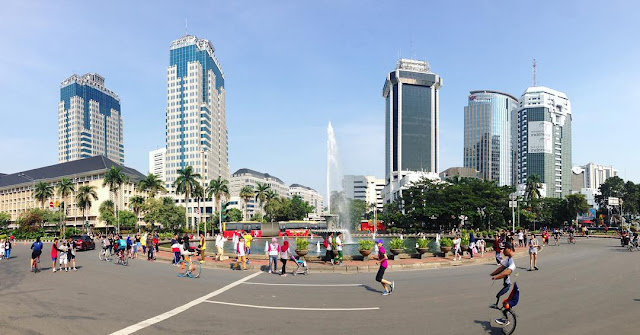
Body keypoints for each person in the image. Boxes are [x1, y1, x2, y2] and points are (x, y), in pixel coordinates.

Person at [490, 241, 516, 310]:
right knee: (504, 303)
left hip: (513, 287)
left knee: (505, 303)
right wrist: (493, 273)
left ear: (509, 249)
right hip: (510, 285)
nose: (502, 251)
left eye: (504, 249)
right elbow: (502, 268)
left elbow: (507, 272)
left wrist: (497, 277)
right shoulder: (508, 259)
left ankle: (506, 319)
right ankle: (507, 319)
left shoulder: (513, 261)